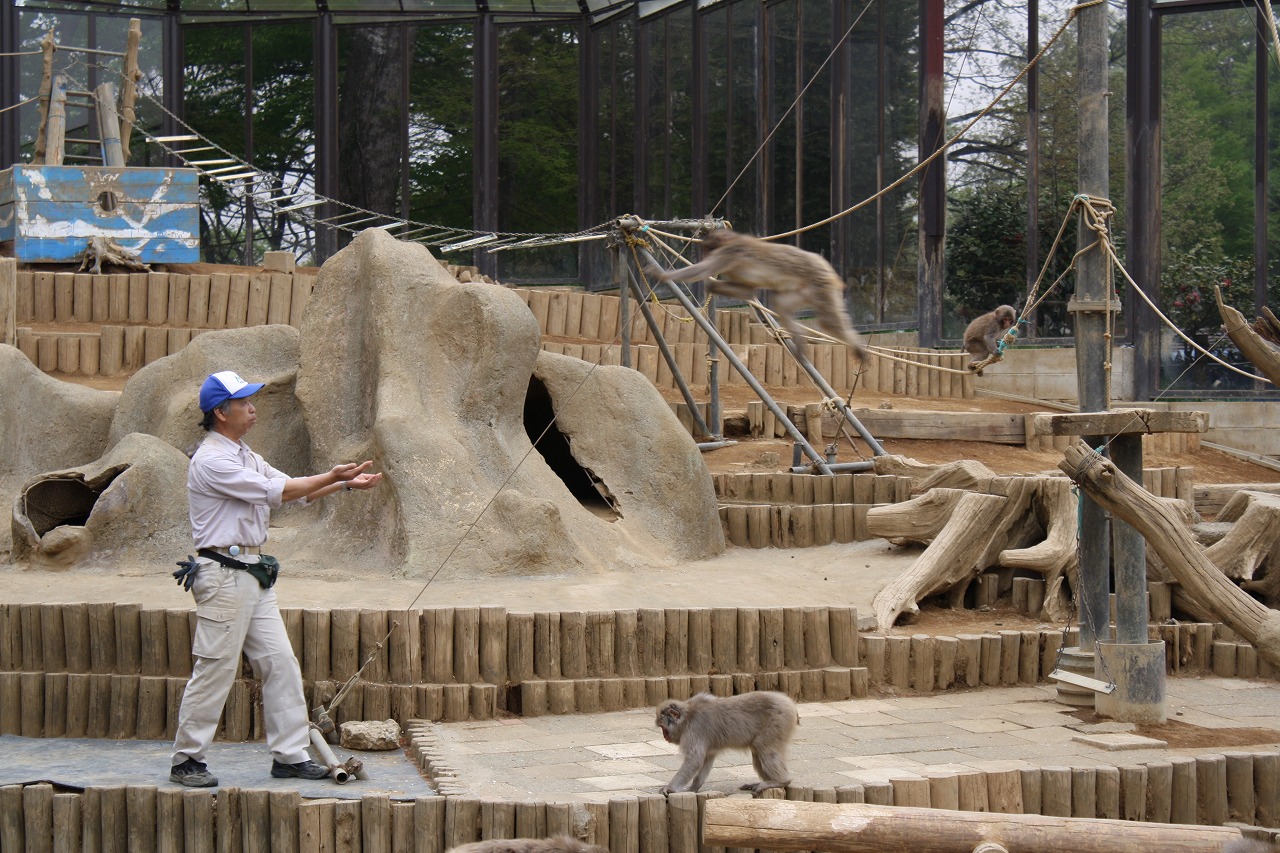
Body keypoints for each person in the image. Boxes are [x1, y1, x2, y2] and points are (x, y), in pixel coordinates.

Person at [169, 370, 383, 788]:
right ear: (220, 411)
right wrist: (335, 476)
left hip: (252, 574)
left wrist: (343, 486)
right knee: (214, 668)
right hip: (223, 575)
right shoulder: (212, 460)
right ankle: (186, 759)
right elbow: (282, 493)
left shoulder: (244, 453)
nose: (252, 408)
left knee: (280, 663)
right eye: (244, 402)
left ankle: (289, 755)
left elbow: (291, 489)